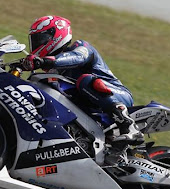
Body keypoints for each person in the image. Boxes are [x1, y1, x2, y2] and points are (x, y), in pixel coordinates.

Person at [22, 15, 143, 144]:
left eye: (41, 39)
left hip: (118, 94)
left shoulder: (80, 47)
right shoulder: (54, 73)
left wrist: (46, 61)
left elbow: (77, 57)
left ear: (55, 36)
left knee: (86, 81)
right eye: (34, 41)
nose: (37, 44)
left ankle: (128, 126)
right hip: (93, 109)